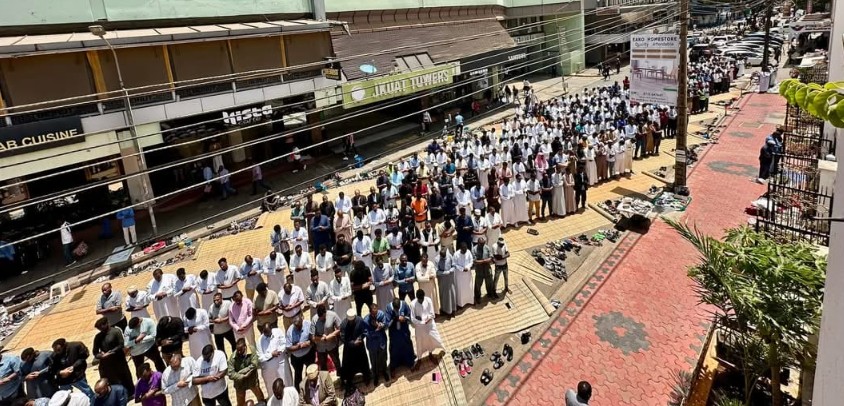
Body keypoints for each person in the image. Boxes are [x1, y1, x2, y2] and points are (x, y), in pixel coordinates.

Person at [92, 318, 135, 395]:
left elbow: (121, 344)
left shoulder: (115, 331)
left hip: (119, 360)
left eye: (101, 327)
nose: (100, 329)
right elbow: (95, 352)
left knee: (125, 377)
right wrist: (101, 356)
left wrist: (111, 352)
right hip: (107, 364)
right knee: (112, 381)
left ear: (106, 324)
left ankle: (130, 393)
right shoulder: (98, 337)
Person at [409, 290, 444, 370]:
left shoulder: (428, 300)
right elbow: (413, 319)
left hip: (429, 325)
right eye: (419, 299)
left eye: (422, 299)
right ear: (417, 298)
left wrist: (427, 319)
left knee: (431, 339)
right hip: (420, 328)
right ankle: (419, 359)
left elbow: (432, 314)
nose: (421, 300)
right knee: (420, 343)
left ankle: (430, 354)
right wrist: (421, 322)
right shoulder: (412, 304)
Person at [338, 309, 370, 393]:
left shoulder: (360, 320)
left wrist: (360, 338)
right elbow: (342, 338)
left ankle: (366, 377)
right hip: (349, 350)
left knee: (363, 363)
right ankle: (348, 381)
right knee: (348, 366)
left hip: (359, 347)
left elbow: (365, 331)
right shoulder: (343, 324)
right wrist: (352, 343)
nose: (351, 322)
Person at [226, 339, 265, 406]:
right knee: (240, 402)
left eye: (241, 349)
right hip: (240, 383)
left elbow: (254, 365)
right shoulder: (233, 357)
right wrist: (242, 376)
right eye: (237, 350)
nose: (239, 351)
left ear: (245, 346)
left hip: (252, 380)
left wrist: (240, 372)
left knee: (260, 397)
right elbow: (230, 374)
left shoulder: (252, 350)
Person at [362, 303, 390, 387]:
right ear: (370, 312)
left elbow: (386, 324)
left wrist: (381, 325)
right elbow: (366, 334)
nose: (375, 315)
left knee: (383, 358)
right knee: (374, 361)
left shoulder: (381, 314)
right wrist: (376, 330)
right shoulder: (366, 320)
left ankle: (384, 371)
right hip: (372, 344)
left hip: (381, 342)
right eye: (373, 313)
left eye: (376, 312)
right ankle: (376, 376)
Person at [257, 323, 293, 390]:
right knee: (273, 386)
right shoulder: (259, 341)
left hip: (281, 362)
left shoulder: (278, 332)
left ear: (271, 329)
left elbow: (284, 343)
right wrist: (271, 355)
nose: (267, 336)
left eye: (268, 333)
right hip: (269, 368)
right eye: (265, 334)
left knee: (286, 382)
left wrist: (279, 351)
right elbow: (260, 357)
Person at [384, 298, 416, 371]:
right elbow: (387, 323)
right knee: (394, 349)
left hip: (404, 330)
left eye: (398, 308)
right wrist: (395, 319)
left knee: (407, 346)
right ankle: (394, 366)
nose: (397, 310)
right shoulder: (388, 308)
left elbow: (410, 316)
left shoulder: (404, 304)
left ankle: (410, 363)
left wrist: (404, 318)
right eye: (395, 309)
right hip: (394, 333)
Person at [310, 304, 341, 373]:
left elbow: (340, 328)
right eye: (319, 317)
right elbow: (312, 337)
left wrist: (331, 335)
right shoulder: (314, 319)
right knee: (323, 366)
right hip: (320, 348)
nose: (321, 318)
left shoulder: (333, 315)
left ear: (325, 312)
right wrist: (321, 338)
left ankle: (342, 379)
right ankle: (325, 382)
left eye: (323, 316)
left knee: (337, 363)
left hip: (332, 345)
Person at [285, 316, 313, 391]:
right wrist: (299, 346)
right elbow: (288, 347)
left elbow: (314, 337)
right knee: (298, 374)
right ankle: (298, 392)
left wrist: (309, 342)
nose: (298, 328)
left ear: (302, 321)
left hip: (308, 354)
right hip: (296, 357)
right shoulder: (290, 331)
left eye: (299, 326)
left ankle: (309, 388)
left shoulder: (309, 324)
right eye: (296, 326)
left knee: (310, 371)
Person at [452, 243, 474, 308]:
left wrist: (468, 267)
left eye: (465, 249)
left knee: (469, 287)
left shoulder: (468, 252)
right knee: (460, 290)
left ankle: (470, 301)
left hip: (467, 274)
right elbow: (454, 264)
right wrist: (461, 269)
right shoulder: (456, 254)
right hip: (460, 275)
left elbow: (471, 261)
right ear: (460, 249)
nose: (465, 251)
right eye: (463, 249)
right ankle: (460, 304)